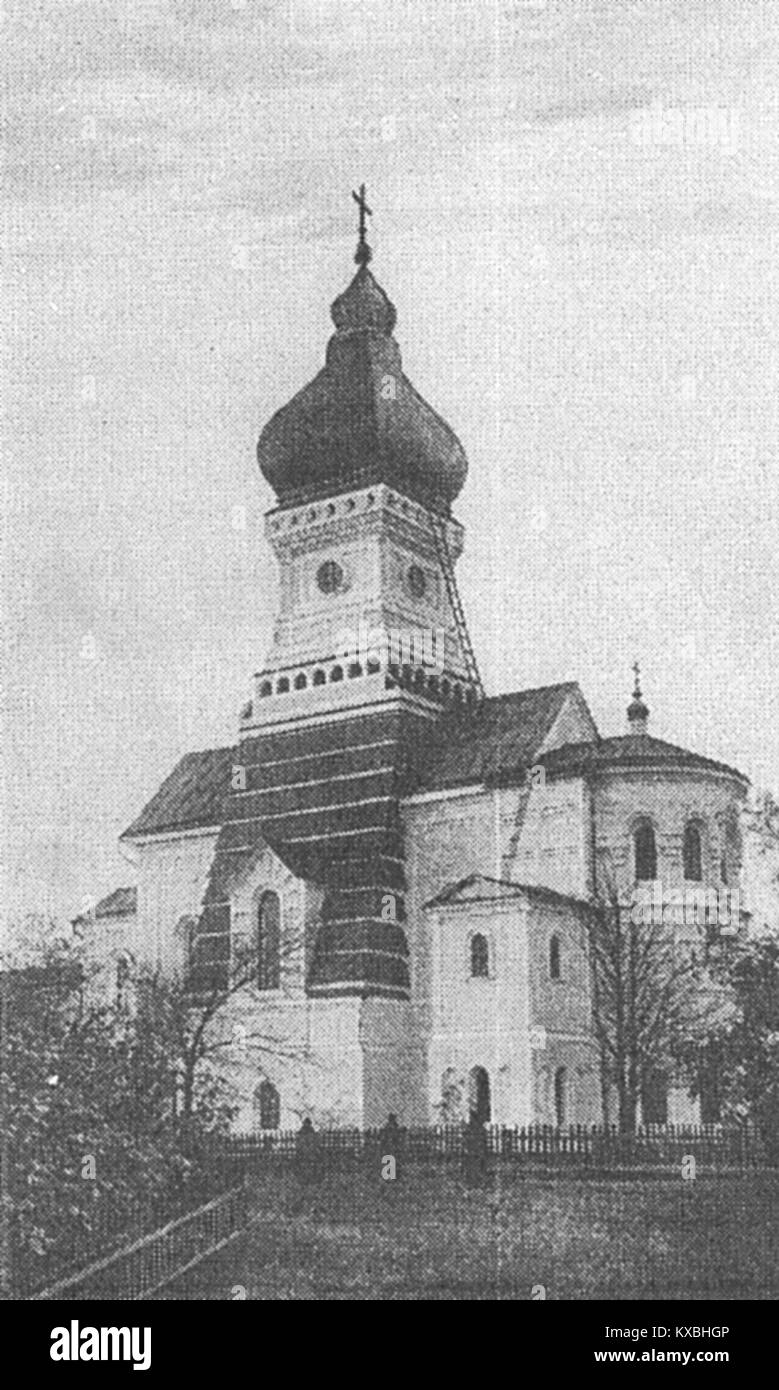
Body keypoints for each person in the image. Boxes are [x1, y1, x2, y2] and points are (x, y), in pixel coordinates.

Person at [463, 1109, 488, 1188]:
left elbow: (482, 1139)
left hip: (476, 1151)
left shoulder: (478, 1128)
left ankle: (477, 1182)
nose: (470, 1119)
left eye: (471, 1118)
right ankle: (472, 1182)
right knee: (471, 1167)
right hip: (472, 1151)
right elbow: (466, 1138)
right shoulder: (470, 1128)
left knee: (477, 1167)